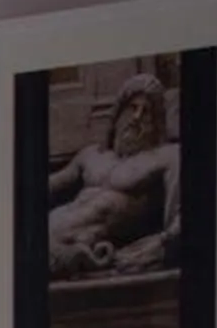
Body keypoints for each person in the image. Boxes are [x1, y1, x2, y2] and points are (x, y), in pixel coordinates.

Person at [47, 73, 178, 276]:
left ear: (156, 122)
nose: (137, 118)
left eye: (146, 113)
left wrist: (161, 243)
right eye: (132, 108)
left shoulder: (166, 157)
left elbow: (183, 214)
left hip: (77, 252)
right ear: (117, 114)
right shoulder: (92, 155)